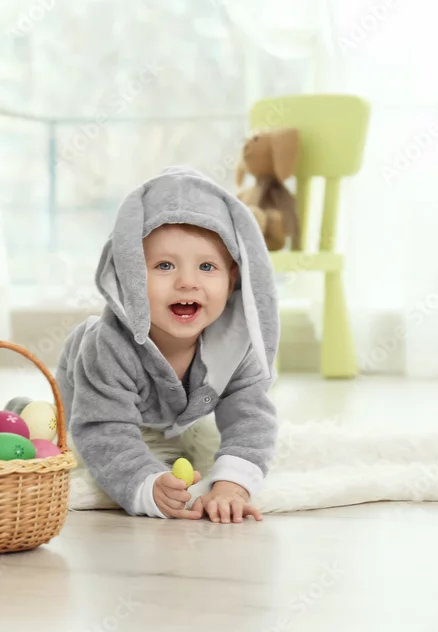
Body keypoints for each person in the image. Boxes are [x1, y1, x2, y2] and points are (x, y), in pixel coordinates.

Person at [54, 165, 280, 523]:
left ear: (232, 278)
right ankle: (31, 412)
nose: (187, 282)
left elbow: (251, 419)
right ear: (130, 275)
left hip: (172, 417)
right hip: (88, 392)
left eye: (207, 267)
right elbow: (103, 429)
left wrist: (232, 486)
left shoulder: (237, 344)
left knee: (192, 440)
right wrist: (145, 484)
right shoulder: (108, 348)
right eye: (164, 266)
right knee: (56, 432)